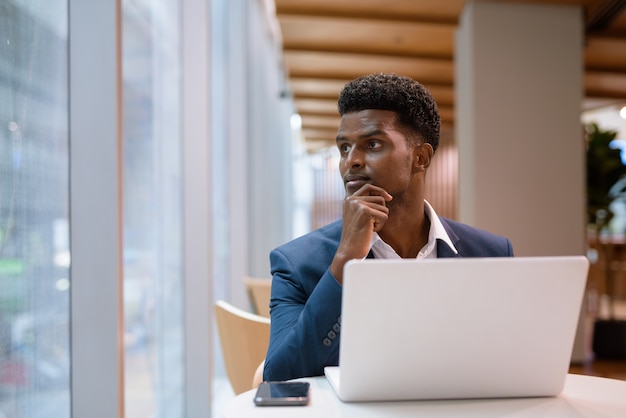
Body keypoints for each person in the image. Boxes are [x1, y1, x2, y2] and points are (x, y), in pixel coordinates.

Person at [263, 73, 514, 382]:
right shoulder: (297, 264)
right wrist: (344, 262)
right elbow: (280, 375)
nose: (351, 161)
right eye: (344, 148)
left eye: (372, 144)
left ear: (420, 157)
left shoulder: (491, 254)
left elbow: (507, 363)